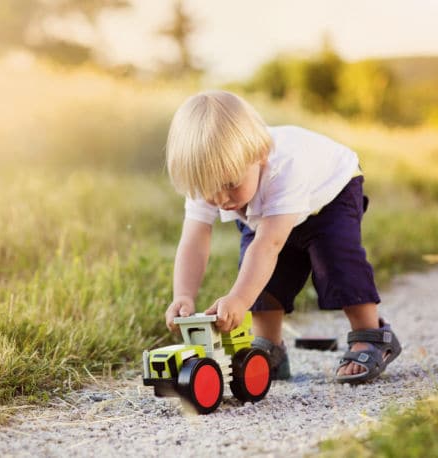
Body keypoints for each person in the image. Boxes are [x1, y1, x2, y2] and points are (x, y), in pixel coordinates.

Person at [163, 90, 401, 384]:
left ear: (258, 157)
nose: (221, 198)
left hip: (330, 193)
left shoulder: (285, 168)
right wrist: (183, 294)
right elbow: (194, 240)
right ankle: (270, 347)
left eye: (230, 184)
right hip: (270, 212)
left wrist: (238, 299)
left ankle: (371, 335)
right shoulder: (208, 179)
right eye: (210, 189)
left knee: (335, 257)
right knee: (258, 272)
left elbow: (269, 244)